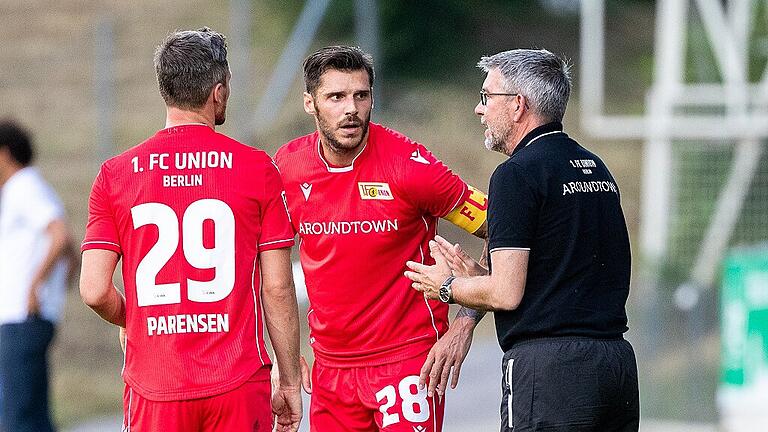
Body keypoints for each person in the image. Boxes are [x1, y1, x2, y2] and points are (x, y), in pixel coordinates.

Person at [79, 27, 303, 432]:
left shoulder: (114, 175)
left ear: (166, 89)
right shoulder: (257, 168)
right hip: (237, 381)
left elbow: (93, 290)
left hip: (156, 386)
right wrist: (289, 381)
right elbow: (277, 288)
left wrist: (135, 319)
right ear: (218, 92)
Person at [405, 49, 640, 431]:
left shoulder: (516, 175)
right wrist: (480, 276)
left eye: (486, 97)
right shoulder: (595, 166)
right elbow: (561, 271)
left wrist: (446, 286)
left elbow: (506, 293)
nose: (479, 110)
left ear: (518, 105)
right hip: (614, 365)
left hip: (550, 372)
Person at [274, 45, 488, 432]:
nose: (351, 108)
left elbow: (504, 226)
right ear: (310, 103)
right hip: (331, 371)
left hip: (407, 362)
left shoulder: (410, 166)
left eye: (361, 95)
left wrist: (467, 317)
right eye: (336, 97)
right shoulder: (287, 168)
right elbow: (261, 268)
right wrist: (280, 360)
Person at [0, 119, 76, 432]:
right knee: (33, 414)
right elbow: (70, 249)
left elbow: (60, 235)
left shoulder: (23, 187)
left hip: (23, 316)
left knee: (18, 418)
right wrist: (61, 282)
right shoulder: (34, 187)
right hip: (33, 317)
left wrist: (35, 285)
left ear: (4, 155)